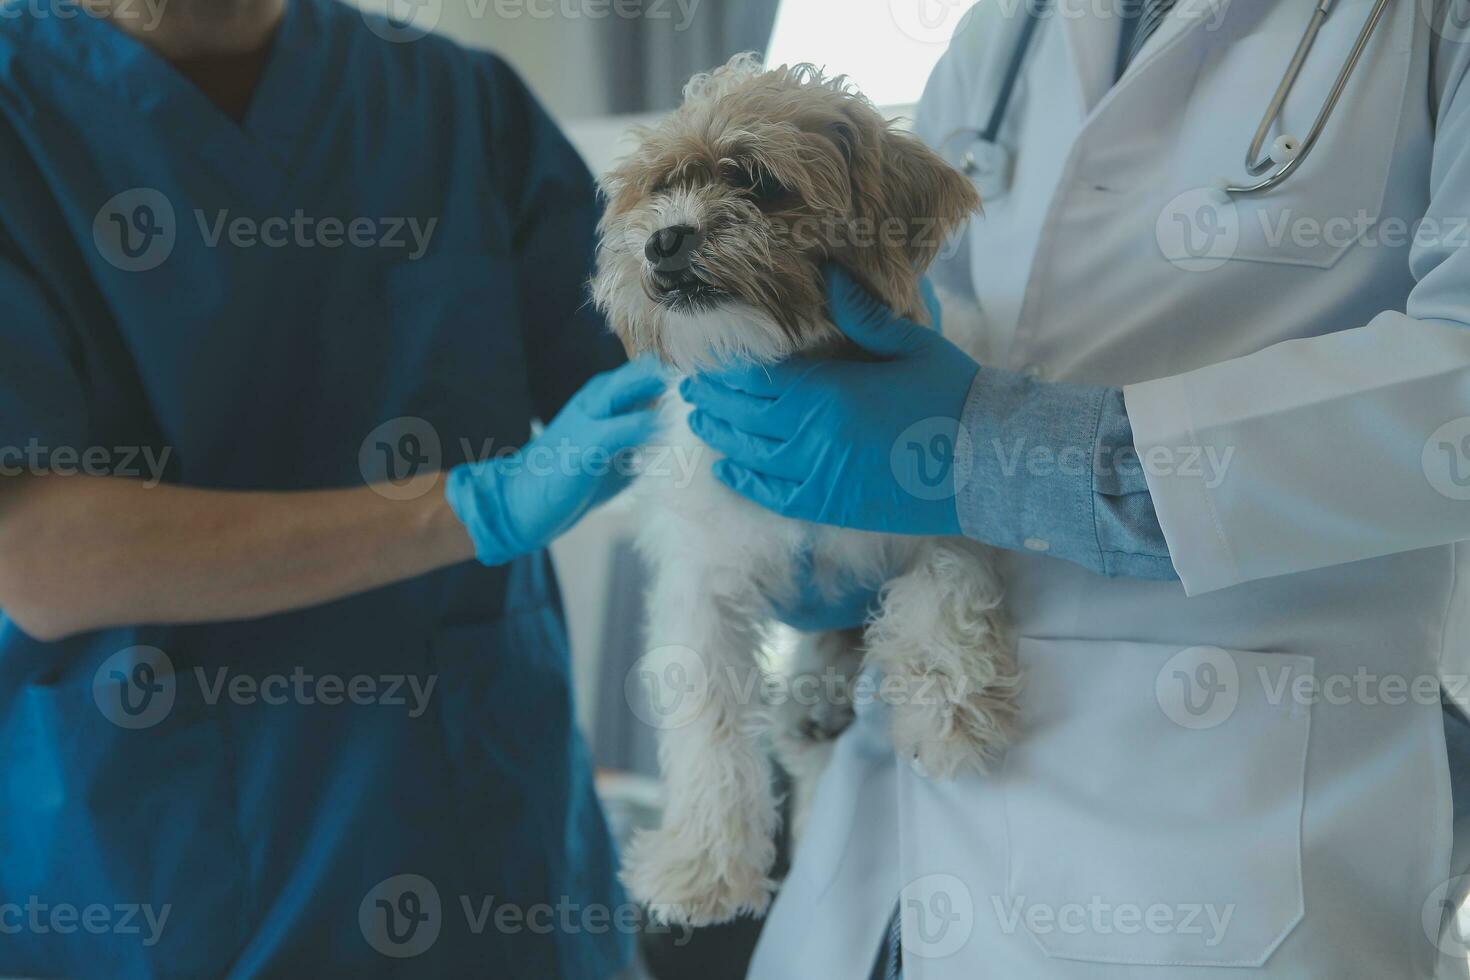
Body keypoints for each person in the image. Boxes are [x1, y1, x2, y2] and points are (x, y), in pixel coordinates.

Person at [682, 0, 1470, 977]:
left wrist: (1013, 450)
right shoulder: (1003, 35)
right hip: (881, 857)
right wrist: (824, 530)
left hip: (1213, 843)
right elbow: (914, 314)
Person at [0, 0, 665, 975]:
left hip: (493, 857)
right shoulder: (22, 117)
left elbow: (664, 380)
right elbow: (37, 553)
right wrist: (472, 505)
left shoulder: (457, 103)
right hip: (150, 885)